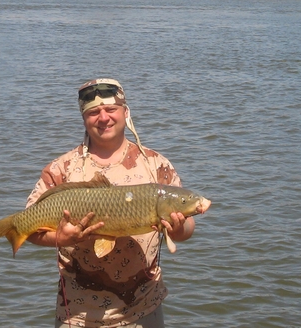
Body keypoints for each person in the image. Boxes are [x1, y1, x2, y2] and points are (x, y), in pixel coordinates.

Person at [26, 78, 196, 328]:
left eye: (111, 110)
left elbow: (187, 229)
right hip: (78, 313)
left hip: (143, 307)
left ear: (125, 113)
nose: (103, 118)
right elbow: (27, 229)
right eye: (93, 112)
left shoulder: (156, 164)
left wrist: (179, 228)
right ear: (84, 118)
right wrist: (59, 239)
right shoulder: (61, 169)